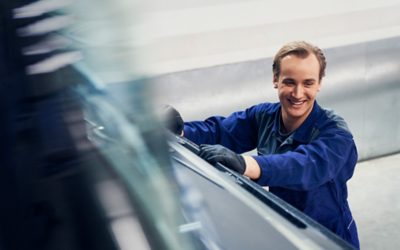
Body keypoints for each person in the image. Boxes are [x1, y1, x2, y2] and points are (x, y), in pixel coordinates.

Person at [165, 41, 359, 248]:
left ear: (319, 83)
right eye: (290, 82)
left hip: (328, 237)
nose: (298, 93)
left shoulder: (336, 133)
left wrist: (244, 164)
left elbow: (304, 166)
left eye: (308, 83)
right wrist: (180, 130)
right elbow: (221, 131)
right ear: (276, 79)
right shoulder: (265, 116)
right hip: (287, 226)